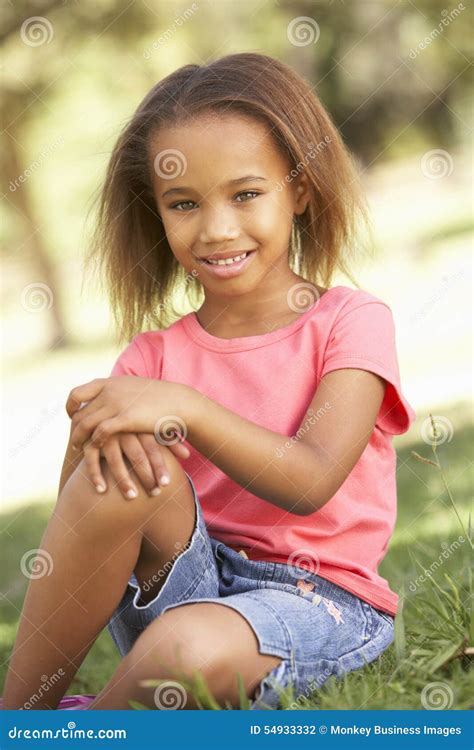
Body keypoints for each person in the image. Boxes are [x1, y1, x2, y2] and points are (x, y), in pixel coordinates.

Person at [3, 52, 415, 711]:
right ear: (158, 212)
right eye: (184, 203)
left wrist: (187, 409)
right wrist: (86, 450)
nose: (218, 228)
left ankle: (95, 725)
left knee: (184, 650)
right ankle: (18, 719)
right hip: (182, 581)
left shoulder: (350, 323)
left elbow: (310, 482)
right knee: (130, 470)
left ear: (300, 190)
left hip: (319, 602)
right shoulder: (151, 358)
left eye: (246, 194)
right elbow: (85, 534)